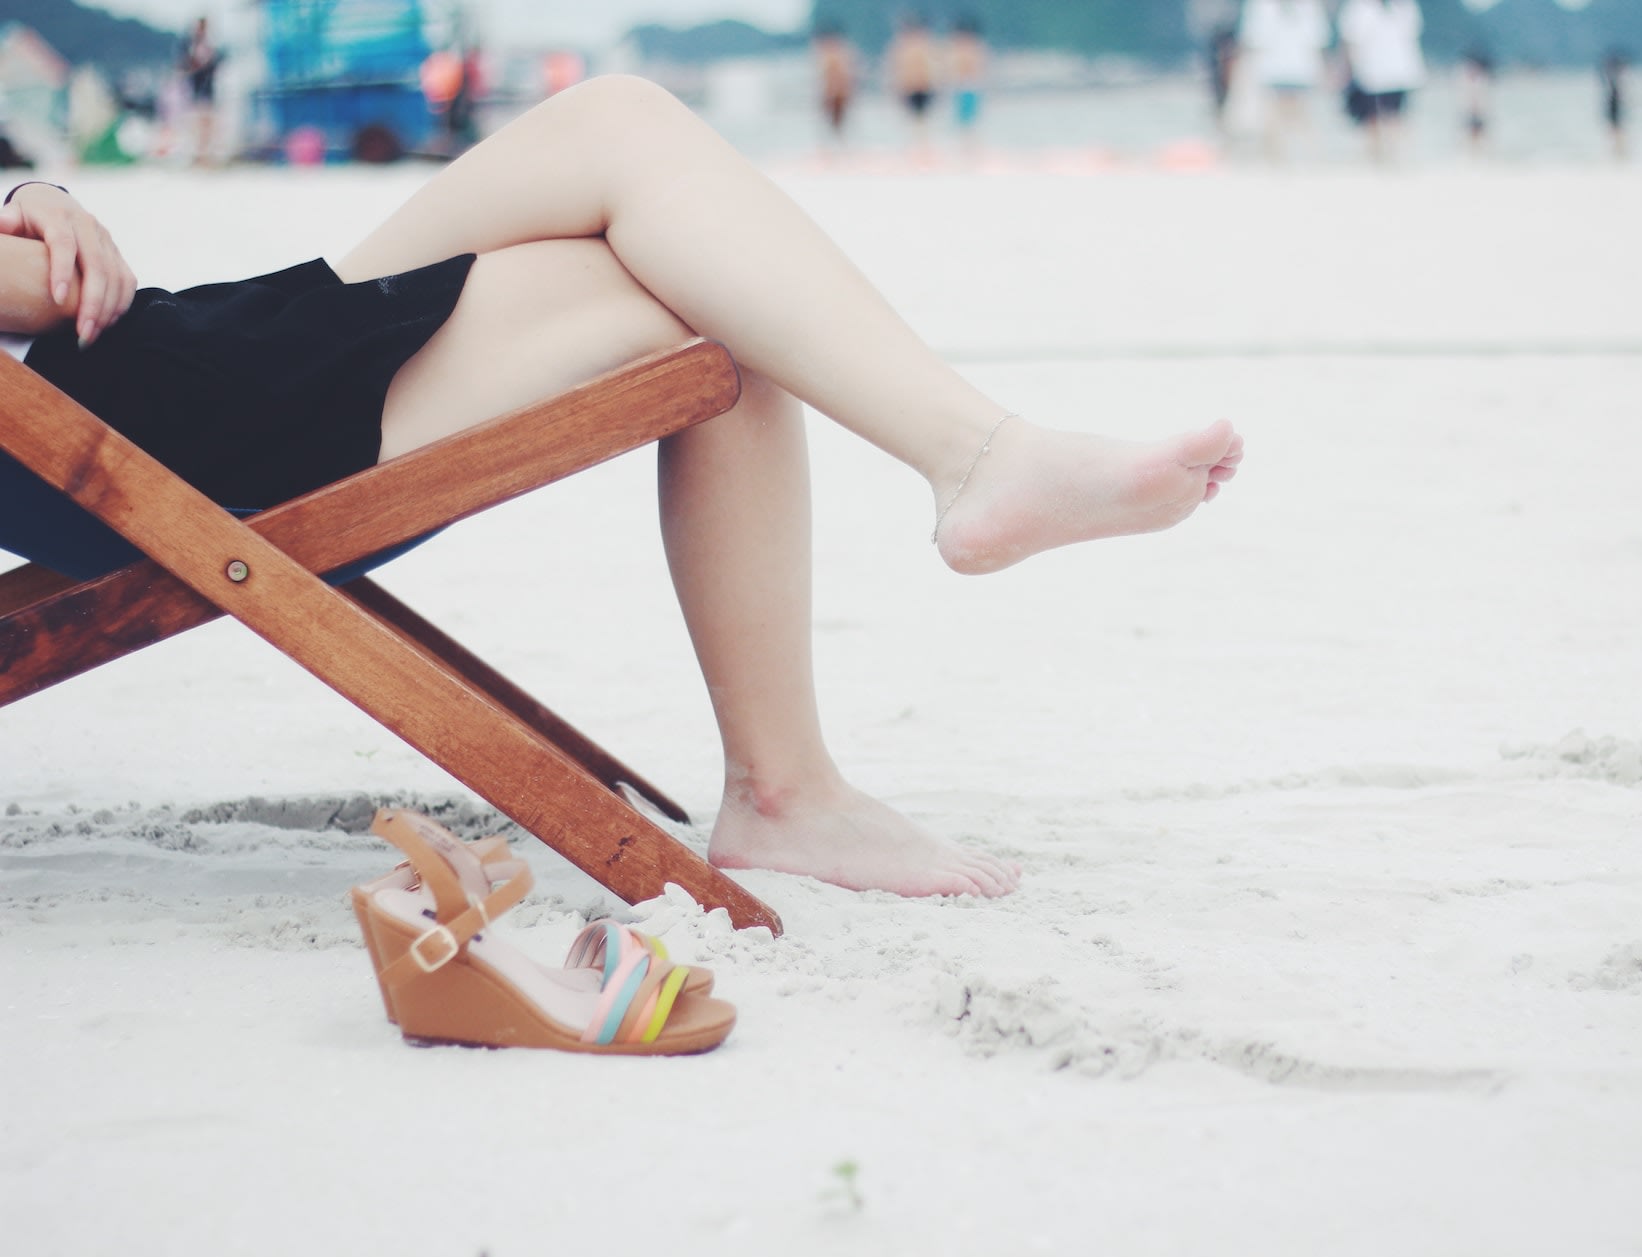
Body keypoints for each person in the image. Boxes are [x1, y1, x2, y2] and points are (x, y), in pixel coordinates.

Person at [0, 78, 1244, 901]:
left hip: (171, 372)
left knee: (624, 126)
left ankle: (962, 489)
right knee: (709, 295)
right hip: (145, 430)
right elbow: (46, 294)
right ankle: (800, 765)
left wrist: (30, 194)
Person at [1237, 0, 1330, 163]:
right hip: (1287, 70)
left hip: (1287, 70)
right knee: (1292, 118)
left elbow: (1252, 41)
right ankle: (1302, 160)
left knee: (1281, 118)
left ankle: (1290, 161)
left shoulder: (1263, 6)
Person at [1337, 0, 1424, 164]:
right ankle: (1388, 158)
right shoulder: (1402, 7)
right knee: (1388, 118)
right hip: (1383, 72)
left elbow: (1350, 42)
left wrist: (1346, 69)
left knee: (1379, 119)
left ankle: (1387, 158)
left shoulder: (1362, 8)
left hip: (1381, 73)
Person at [888, 14, 938, 154]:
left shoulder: (926, 45)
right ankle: (914, 147)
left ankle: (922, 147)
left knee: (922, 119)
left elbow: (934, 67)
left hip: (923, 86)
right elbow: (897, 69)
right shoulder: (902, 47)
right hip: (909, 87)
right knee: (912, 119)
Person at [177, 16, 222, 166]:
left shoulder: (210, 45)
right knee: (195, 123)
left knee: (207, 122)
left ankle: (206, 155)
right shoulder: (190, 44)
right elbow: (184, 65)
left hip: (207, 89)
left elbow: (215, 65)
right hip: (195, 88)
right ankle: (197, 155)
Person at [813, 21, 858, 146]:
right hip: (835, 92)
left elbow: (841, 75)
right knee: (835, 122)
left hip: (836, 92)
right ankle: (837, 145)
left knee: (836, 122)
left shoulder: (833, 53)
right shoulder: (838, 51)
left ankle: (838, 146)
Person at [948, 16, 988, 151]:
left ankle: (970, 147)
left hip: (970, 87)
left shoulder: (973, 47)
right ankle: (967, 147)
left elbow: (977, 68)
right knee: (964, 121)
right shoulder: (962, 48)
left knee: (968, 122)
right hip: (962, 87)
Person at [1460, 48, 1493, 159]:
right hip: (1472, 112)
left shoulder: (1480, 78)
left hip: (1479, 112)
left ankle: (1478, 158)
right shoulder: (1469, 78)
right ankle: (1475, 158)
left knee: (1479, 138)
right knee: (1471, 138)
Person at [1600, 50, 1629, 162]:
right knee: (1616, 129)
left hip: (1613, 105)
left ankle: (1617, 151)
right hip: (1613, 105)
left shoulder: (1612, 78)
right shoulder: (1614, 78)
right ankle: (1618, 151)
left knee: (1616, 129)